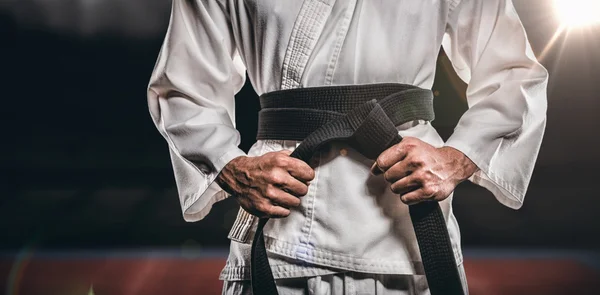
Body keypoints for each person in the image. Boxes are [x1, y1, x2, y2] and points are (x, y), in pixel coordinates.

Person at [147, 0, 548, 294]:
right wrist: (230, 165)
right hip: (282, 226)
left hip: (404, 228)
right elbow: (183, 86)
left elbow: (514, 74)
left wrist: (456, 158)